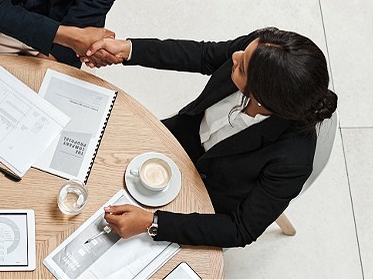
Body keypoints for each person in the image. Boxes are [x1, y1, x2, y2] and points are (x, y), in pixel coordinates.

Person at [82, 28, 338, 247]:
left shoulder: (292, 161)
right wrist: (128, 50)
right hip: (180, 135)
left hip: (210, 193)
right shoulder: (261, 50)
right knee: (97, 159)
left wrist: (153, 223)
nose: (234, 56)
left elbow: (241, 229)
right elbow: (203, 55)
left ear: (261, 97)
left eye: (241, 67)